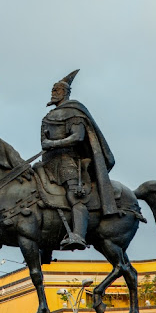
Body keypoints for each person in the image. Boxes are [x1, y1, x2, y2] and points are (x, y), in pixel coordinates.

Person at [40, 70, 118, 251]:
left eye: (57, 89)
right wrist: (49, 145)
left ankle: (78, 235)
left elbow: (77, 136)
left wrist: (54, 143)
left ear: (66, 92)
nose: (53, 92)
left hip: (69, 160)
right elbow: (44, 141)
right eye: (52, 89)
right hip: (48, 162)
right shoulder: (48, 116)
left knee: (74, 195)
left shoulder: (74, 111)